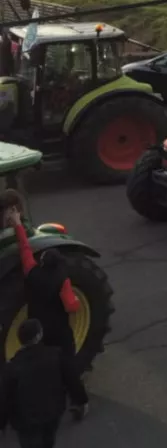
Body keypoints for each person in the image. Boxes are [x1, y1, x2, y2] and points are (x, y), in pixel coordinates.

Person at [1, 192, 88, 420]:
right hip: (59, 330)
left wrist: (18, 225)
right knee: (67, 365)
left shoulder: (31, 272)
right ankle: (79, 401)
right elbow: (72, 306)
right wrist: (75, 302)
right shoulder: (63, 280)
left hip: (38, 326)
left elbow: (25, 250)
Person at [0, 319, 87, 447]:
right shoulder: (56, 355)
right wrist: (81, 400)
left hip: (26, 421)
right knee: (48, 440)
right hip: (53, 413)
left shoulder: (12, 368)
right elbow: (72, 380)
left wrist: (1, 424)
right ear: (39, 335)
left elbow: (4, 399)